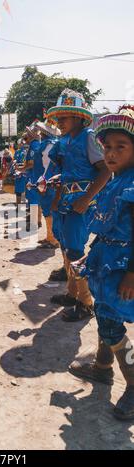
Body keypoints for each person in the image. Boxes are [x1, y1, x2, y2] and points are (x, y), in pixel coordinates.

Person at [69, 106, 134, 421]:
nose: (110, 153)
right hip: (105, 263)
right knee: (103, 313)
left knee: (110, 323)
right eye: (107, 147)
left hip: (123, 269)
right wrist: (88, 254)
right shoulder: (115, 180)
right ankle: (103, 367)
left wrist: (132, 275)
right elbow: (107, 227)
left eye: (120, 147)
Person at [46, 89, 111, 322]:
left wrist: (86, 199)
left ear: (78, 117)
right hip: (65, 203)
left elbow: (106, 170)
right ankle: (72, 294)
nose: (59, 122)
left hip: (82, 204)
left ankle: (86, 303)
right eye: (58, 118)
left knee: (75, 251)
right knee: (65, 248)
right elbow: (65, 173)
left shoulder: (89, 137)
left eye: (63, 118)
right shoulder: (66, 140)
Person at [33, 120, 61, 249]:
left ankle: (53, 239)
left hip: (48, 180)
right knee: (46, 208)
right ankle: (49, 236)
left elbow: (51, 165)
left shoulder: (50, 145)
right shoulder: (47, 144)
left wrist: (45, 180)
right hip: (45, 179)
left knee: (49, 208)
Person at [24, 123, 42, 231]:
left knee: (34, 199)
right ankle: (37, 221)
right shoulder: (35, 144)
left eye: (27, 134)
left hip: (33, 175)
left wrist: (21, 169)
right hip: (34, 175)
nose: (26, 136)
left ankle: (35, 222)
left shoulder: (34, 145)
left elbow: (32, 163)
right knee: (35, 199)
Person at [13, 139, 27, 205]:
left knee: (27, 189)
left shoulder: (26, 151)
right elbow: (14, 160)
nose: (21, 144)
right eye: (20, 143)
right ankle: (18, 204)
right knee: (18, 189)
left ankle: (28, 205)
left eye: (22, 143)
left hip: (25, 172)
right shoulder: (17, 152)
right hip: (17, 173)